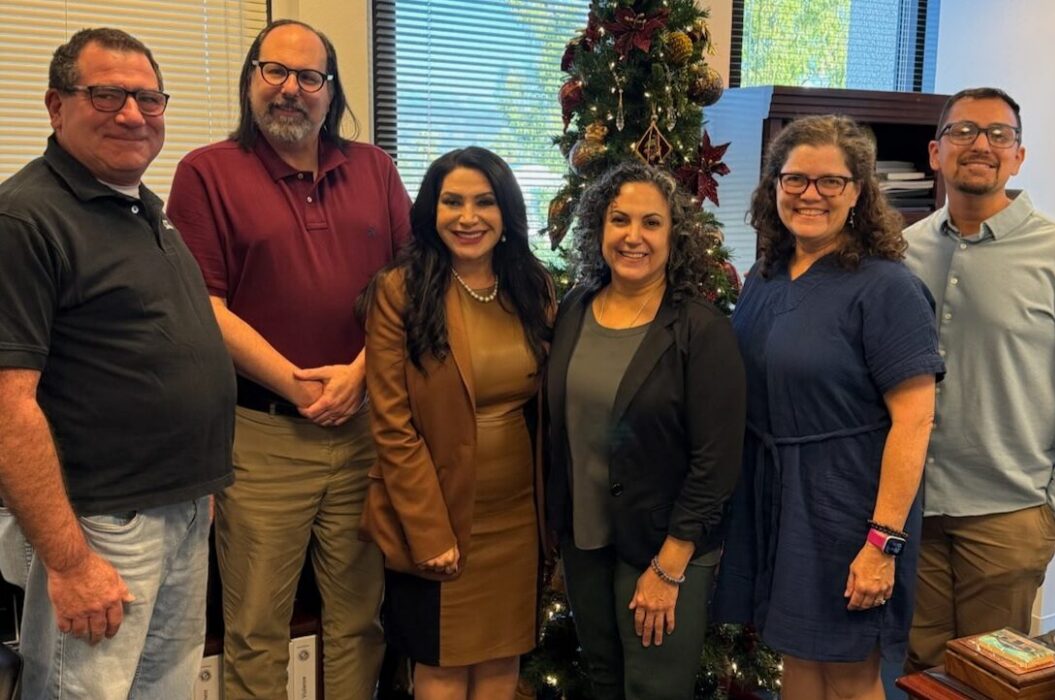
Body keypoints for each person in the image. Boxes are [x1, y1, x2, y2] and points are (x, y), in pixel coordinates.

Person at [166, 19, 411, 699]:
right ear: (249, 79)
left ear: (330, 93)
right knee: (255, 629)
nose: (290, 90)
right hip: (262, 439)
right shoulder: (205, 174)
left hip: (364, 431)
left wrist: (361, 376)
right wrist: (300, 386)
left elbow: (411, 286)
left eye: (310, 77)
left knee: (360, 621)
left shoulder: (376, 169)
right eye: (274, 71)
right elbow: (203, 308)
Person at [0, 28, 235, 698]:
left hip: (180, 509)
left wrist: (197, 481)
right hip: (101, 526)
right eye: (106, 95)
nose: (132, 113)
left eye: (148, 98)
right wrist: (70, 562)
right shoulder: (26, 220)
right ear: (56, 106)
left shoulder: (141, 210)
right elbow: (7, 404)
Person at [713, 115, 944, 700]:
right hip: (778, 496)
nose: (809, 194)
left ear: (858, 193)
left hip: (849, 504)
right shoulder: (763, 276)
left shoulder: (887, 288)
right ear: (774, 188)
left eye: (830, 182)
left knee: (847, 672)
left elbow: (915, 421)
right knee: (797, 660)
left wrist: (881, 543)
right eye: (794, 180)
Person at [903, 87, 1055, 670]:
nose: (980, 144)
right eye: (963, 132)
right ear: (935, 152)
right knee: (923, 673)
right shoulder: (903, 251)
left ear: (1019, 157)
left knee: (997, 679)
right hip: (914, 510)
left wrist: (1054, 511)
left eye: (998, 134)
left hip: (1009, 517)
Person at [544, 161, 745, 699]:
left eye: (651, 223)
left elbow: (716, 462)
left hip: (665, 548)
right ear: (599, 230)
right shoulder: (574, 309)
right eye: (619, 220)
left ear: (673, 235)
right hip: (585, 541)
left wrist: (671, 566)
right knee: (604, 678)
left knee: (654, 689)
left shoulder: (701, 329)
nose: (633, 236)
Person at [360, 146, 554, 700]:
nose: (468, 218)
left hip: (517, 520)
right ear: (431, 210)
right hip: (438, 515)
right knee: (441, 671)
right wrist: (429, 532)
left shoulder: (532, 288)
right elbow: (393, 426)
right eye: (452, 202)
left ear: (506, 212)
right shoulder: (399, 291)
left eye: (484, 202)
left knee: (500, 664)